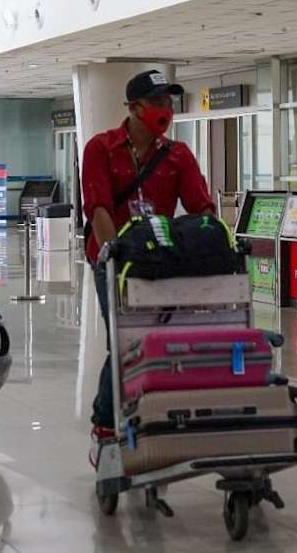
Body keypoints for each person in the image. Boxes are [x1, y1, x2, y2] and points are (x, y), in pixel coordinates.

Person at [81, 69, 215, 464]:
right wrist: (114, 252)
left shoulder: (177, 155)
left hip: (162, 261)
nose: (165, 111)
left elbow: (200, 207)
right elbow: (99, 207)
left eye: (169, 103)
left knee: (164, 341)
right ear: (135, 108)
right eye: (157, 103)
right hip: (113, 260)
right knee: (123, 341)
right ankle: (104, 425)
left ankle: (156, 412)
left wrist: (212, 239)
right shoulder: (100, 149)